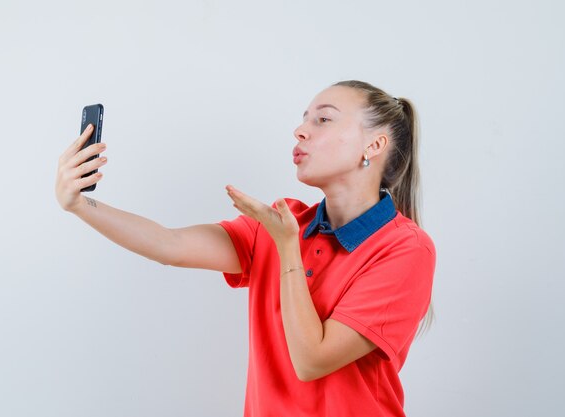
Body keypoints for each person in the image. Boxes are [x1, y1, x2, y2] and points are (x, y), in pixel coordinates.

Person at [55, 80, 436, 417]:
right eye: (304, 119)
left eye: (323, 120)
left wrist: (287, 246)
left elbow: (312, 360)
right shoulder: (284, 223)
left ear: (375, 143)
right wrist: (79, 205)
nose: (300, 131)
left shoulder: (405, 248)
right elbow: (169, 244)